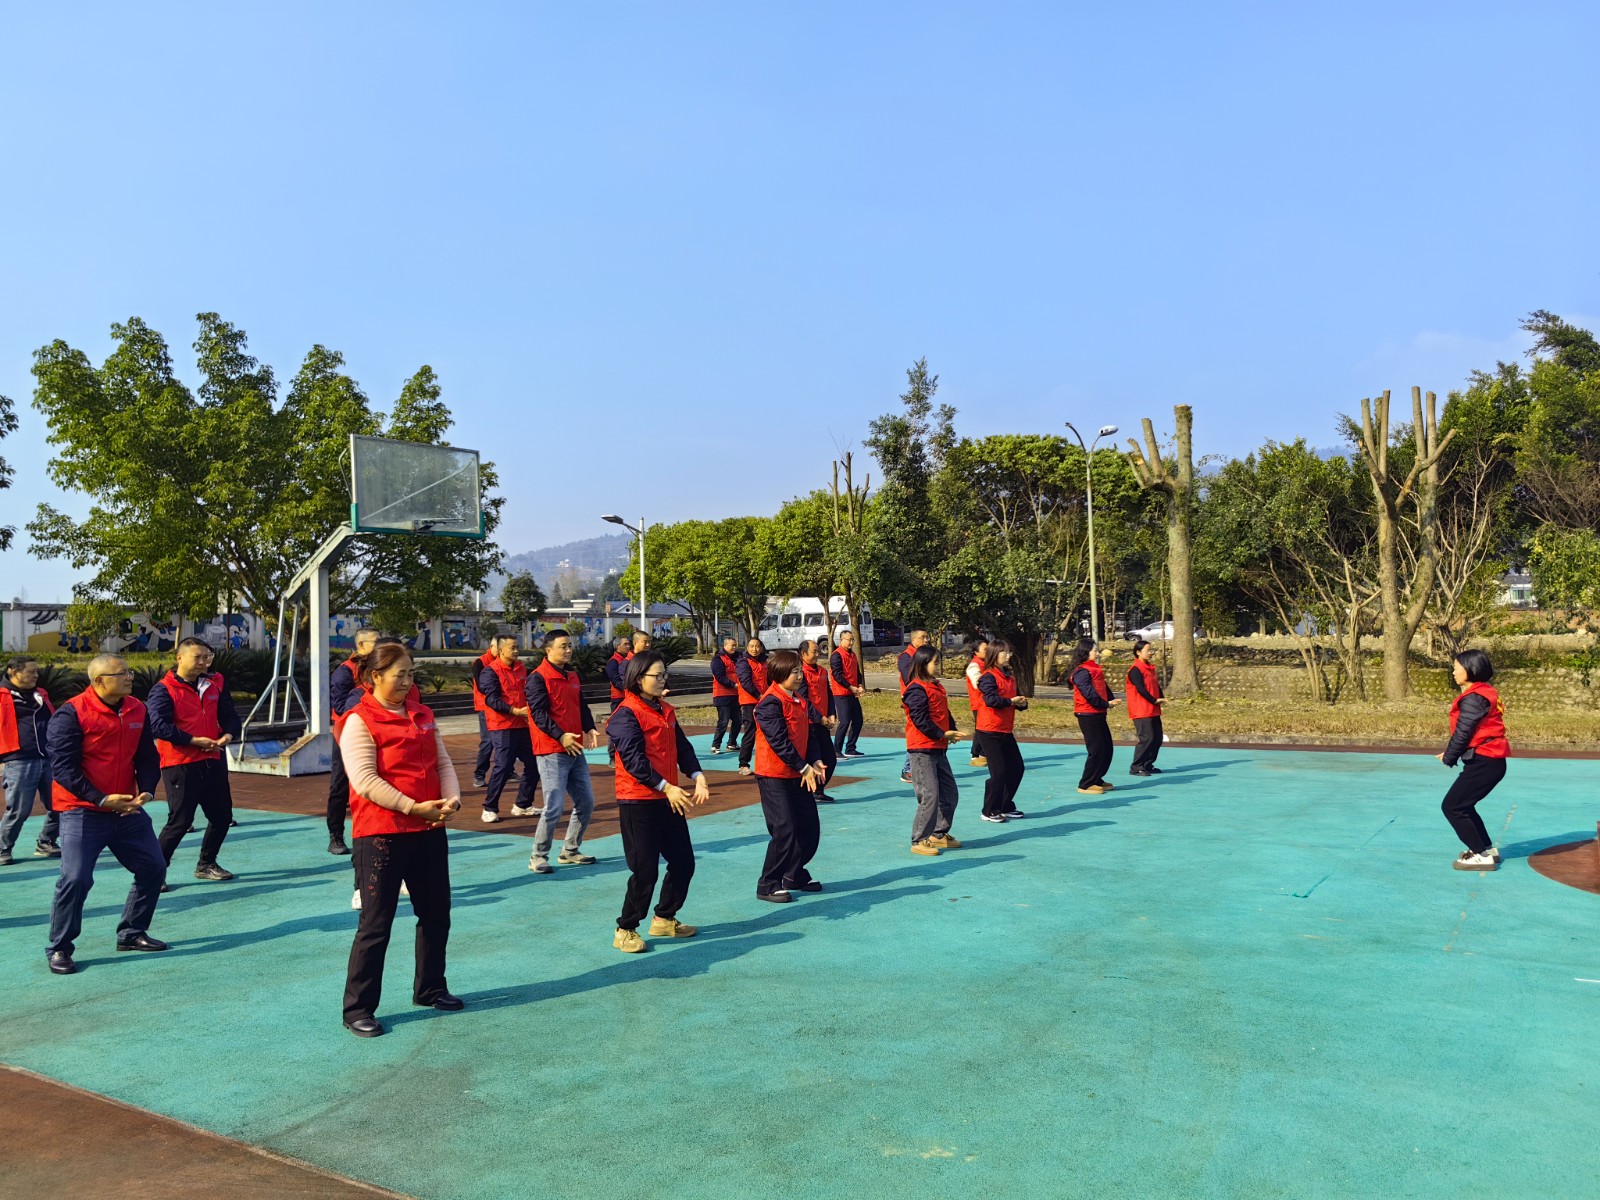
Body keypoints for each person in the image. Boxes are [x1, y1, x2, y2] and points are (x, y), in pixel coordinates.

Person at [341, 641, 463, 1037]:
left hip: (429, 829)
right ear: (375, 676)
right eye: (400, 675)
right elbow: (365, 780)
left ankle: (430, 988)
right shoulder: (359, 720)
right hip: (382, 834)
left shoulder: (422, 713)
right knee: (376, 924)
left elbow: (442, 761)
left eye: (411, 674)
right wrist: (414, 807)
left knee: (436, 913)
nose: (408, 681)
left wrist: (451, 799)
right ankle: (358, 1009)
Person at [43, 654, 167, 975]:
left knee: (154, 867)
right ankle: (60, 948)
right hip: (83, 811)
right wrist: (101, 799)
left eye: (129, 672)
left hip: (126, 809)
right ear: (99, 681)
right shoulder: (71, 713)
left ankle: (132, 933)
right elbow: (63, 768)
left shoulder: (137, 708)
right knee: (75, 878)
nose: (130, 677)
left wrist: (147, 790)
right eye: (122, 673)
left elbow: (147, 756)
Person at [606, 650, 709, 951]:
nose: (663, 679)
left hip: (668, 798)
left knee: (684, 862)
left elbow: (682, 747)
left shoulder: (665, 710)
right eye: (657, 675)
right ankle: (625, 928)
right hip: (638, 801)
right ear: (639, 679)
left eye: (665, 673)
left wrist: (697, 775)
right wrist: (666, 787)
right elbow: (634, 762)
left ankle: (664, 917)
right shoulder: (625, 714)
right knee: (645, 870)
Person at [147, 638, 241, 886]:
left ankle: (206, 864)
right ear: (179, 658)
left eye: (206, 657)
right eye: (197, 657)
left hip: (213, 759)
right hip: (181, 763)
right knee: (180, 822)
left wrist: (229, 734)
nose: (203, 662)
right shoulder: (163, 689)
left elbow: (229, 715)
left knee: (222, 817)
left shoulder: (216, 682)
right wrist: (193, 740)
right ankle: (154, 874)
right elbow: (157, 726)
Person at [752, 649, 828, 903]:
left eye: (799, 671)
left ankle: (794, 874)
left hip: (799, 774)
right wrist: (804, 767)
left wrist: (815, 760)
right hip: (774, 776)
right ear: (780, 673)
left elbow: (809, 735)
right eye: (794, 672)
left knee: (809, 828)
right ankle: (768, 883)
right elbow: (779, 742)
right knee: (784, 828)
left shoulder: (799, 700)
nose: (799, 676)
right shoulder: (769, 704)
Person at [526, 629, 600, 874]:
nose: (568, 650)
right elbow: (538, 714)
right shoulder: (538, 678)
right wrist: (560, 735)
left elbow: (581, 705)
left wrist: (589, 727)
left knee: (586, 802)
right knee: (554, 806)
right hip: (551, 751)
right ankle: (538, 856)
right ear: (548, 650)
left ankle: (570, 850)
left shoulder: (572, 675)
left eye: (570, 645)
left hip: (574, 748)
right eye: (563, 646)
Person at [1437, 649, 1510, 871]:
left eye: (1456, 668)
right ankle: (1485, 849)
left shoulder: (1474, 698)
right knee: (1464, 805)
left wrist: (1450, 756)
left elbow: (1464, 732)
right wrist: (1450, 752)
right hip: (1489, 759)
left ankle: (1479, 854)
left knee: (1453, 807)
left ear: (1470, 669)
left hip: (1485, 760)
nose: (1453, 672)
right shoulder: (1484, 692)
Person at [904, 644, 963, 856]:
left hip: (938, 748)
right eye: (934, 662)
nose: (937, 666)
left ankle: (938, 834)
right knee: (929, 794)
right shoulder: (916, 689)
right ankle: (919, 839)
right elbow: (920, 720)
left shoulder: (936, 685)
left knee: (950, 793)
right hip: (922, 749)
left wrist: (951, 730)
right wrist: (942, 733)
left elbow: (943, 711)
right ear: (922, 663)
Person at [1, 657, 61, 864]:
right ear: (13, 671)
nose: (36, 675)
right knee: (19, 810)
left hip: (49, 757)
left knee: (60, 803)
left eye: (37, 671)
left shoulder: (40, 694)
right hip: (19, 760)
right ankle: (3, 848)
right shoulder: (2, 695)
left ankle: (46, 842)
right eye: (31, 671)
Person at [326, 628, 379, 854]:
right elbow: (340, 707)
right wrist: (368, 703)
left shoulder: (381, 668)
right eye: (376, 641)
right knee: (340, 786)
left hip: (377, 733)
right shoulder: (344, 672)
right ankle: (335, 836)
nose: (380, 645)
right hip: (347, 735)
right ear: (361, 645)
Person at [478, 634, 537, 823]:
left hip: (523, 725)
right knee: (503, 766)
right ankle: (489, 807)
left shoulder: (522, 669)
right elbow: (491, 699)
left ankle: (523, 805)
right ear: (500, 650)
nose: (516, 651)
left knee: (534, 764)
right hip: (502, 726)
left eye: (517, 647)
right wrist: (514, 711)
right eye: (512, 648)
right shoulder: (490, 672)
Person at [975, 638, 1030, 822]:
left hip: (1005, 730)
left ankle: (1005, 805)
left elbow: (1014, 698)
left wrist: (1020, 703)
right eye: (1004, 652)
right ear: (994, 654)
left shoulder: (1009, 676)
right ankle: (989, 810)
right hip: (989, 731)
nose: (1007, 656)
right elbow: (990, 700)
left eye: (1008, 652)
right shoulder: (987, 677)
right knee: (998, 773)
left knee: (1017, 768)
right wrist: (1010, 701)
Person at [1068, 638, 1118, 795]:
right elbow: (1088, 693)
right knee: (1096, 749)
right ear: (1086, 652)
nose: (1097, 653)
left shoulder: (1094, 668)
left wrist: (1110, 700)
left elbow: (1103, 687)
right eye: (1094, 650)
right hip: (1087, 714)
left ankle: (1097, 778)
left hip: (1098, 713)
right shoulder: (1082, 671)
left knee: (1106, 748)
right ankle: (1086, 783)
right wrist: (1105, 704)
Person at [798, 639, 839, 803]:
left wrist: (831, 713)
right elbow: (803, 700)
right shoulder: (800, 673)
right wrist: (819, 717)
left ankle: (818, 790)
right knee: (813, 759)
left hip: (823, 722)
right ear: (803, 654)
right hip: (809, 724)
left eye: (817, 651)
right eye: (813, 652)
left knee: (830, 759)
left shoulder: (822, 671)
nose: (817, 654)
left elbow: (828, 693)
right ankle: (808, 792)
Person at [1125, 638, 1165, 776]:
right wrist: (1154, 700)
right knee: (1147, 738)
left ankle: (1147, 764)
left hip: (1153, 709)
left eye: (1150, 650)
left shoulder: (1149, 668)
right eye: (1147, 650)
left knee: (1157, 738)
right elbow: (1141, 689)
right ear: (1138, 652)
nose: (1150, 653)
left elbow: (1155, 685)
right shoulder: (1135, 670)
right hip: (1141, 710)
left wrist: (1161, 697)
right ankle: (1136, 766)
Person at [897, 630, 930, 783]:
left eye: (927, 637)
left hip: (924, 697)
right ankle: (908, 769)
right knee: (917, 732)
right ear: (914, 639)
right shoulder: (906, 657)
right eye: (923, 637)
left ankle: (916, 767)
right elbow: (909, 678)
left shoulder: (922, 655)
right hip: (913, 700)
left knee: (923, 732)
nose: (926, 640)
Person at [734, 637, 769, 778]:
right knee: (750, 731)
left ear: (761, 648)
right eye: (751, 646)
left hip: (765, 701)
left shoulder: (765, 661)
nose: (754, 649)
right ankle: (743, 764)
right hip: (750, 701)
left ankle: (766, 762)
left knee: (768, 731)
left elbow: (769, 679)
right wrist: (759, 695)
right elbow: (745, 682)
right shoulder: (743, 662)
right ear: (747, 648)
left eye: (757, 646)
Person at [829, 629, 866, 758]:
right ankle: (836, 750)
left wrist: (859, 685)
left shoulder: (853, 655)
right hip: (841, 693)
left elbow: (857, 672)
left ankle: (850, 748)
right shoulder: (836, 655)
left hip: (852, 693)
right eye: (848, 640)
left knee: (858, 720)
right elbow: (837, 675)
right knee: (844, 721)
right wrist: (850, 687)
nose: (851, 642)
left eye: (852, 640)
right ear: (841, 640)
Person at [470, 641, 497, 788]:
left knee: (507, 741)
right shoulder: (480, 662)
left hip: (501, 707)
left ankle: (509, 771)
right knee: (488, 741)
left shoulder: (505, 662)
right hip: (486, 707)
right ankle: (479, 775)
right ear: (492, 647)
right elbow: (481, 687)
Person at [709, 635, 741, 754]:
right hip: (722, 695)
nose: (734, 647)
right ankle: (715, 745)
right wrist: (734, 685)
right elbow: (720, 677)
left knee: (738, 720)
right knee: (723, 721)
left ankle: (732, 743)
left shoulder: (738, 657)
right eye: (732, 645)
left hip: (735, 695)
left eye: (735, 645)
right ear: (725, 645)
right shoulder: (718, 659)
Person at [963, 638, 990, 769]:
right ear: (976, 652)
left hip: (987, 702)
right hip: (979, 703)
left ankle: (982, 754)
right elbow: (978, 684)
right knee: (982, 729)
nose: (988, 651)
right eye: (985, 649)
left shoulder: (988, 664)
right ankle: (976, 754)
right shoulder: (974, 666)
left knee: (984, 729)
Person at [605, 636, 633, 712]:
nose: (628, 646)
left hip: (629, 696)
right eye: (625, 644)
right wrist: (627, 689)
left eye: (629, 644)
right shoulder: (613, 662)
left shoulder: (629, 659)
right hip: (619, 697)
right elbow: (616, 681)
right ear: (618, 646)